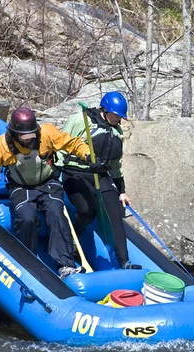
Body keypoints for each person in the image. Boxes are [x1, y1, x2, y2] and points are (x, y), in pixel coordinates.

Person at [0, 107, 97, 280]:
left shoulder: (46, 133)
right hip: (20, 187)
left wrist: (88, 155)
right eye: (25, 137)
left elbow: (72, 143)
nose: (30, 140)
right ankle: (28, 262)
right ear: (15, 134)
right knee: (26, 217)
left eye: (33, 135)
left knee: (55, 212)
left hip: (48, 183)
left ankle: (65, 264)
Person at [58, 91, 141, 270]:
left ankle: (124, 261)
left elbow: (116, 164)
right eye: (116, 115)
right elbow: (61, 143)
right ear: (105, 109)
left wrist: (122, 190)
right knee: (87, 210)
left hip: (101, 174)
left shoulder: (116, 131)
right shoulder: (81, 121)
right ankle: (73, 240)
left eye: (120, 117)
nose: (118, 120)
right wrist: (54, 171)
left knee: (116, 212)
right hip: (75, 172)